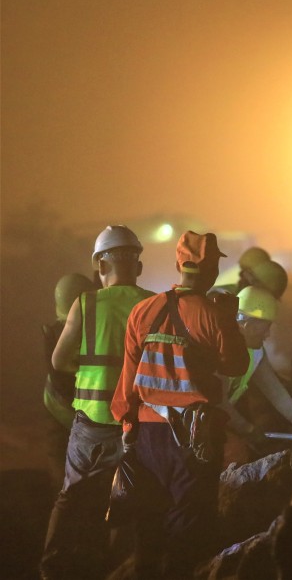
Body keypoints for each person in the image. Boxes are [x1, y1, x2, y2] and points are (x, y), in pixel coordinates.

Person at [111, 230, 249, 579]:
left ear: (178, 263)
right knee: (187, 528)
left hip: (147, 437)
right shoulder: (213, 314)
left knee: (148, 526)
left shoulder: (143, 311)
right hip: (194, 439)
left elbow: (127, 383)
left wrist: (128, 429)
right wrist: (230, 320)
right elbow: (236, 366)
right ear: (214, 270)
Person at [40, 226, 153, 580]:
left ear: (99, 266)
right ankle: (121, 569)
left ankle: (51, 565)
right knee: (133, 500)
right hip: (138, 423)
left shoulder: (85, 303)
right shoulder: (154, 304)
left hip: (90, 422)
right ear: (138, 265)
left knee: (71, 497)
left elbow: (59, 362)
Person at [217, 286, 292, 466]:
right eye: (265, 328)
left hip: (216, 419)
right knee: (234, 453)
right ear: (247, 326)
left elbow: (274, 390)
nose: (267, 335)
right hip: (192, 422)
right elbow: (218, 400)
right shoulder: (220, 348)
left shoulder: (255, 352)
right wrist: (247, 429)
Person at [42, 273, 96, 489]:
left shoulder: (53, 331)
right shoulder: (94, 330)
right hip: (80, 407)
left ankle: (62, 505)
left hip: (56, 404)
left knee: (58, 456)